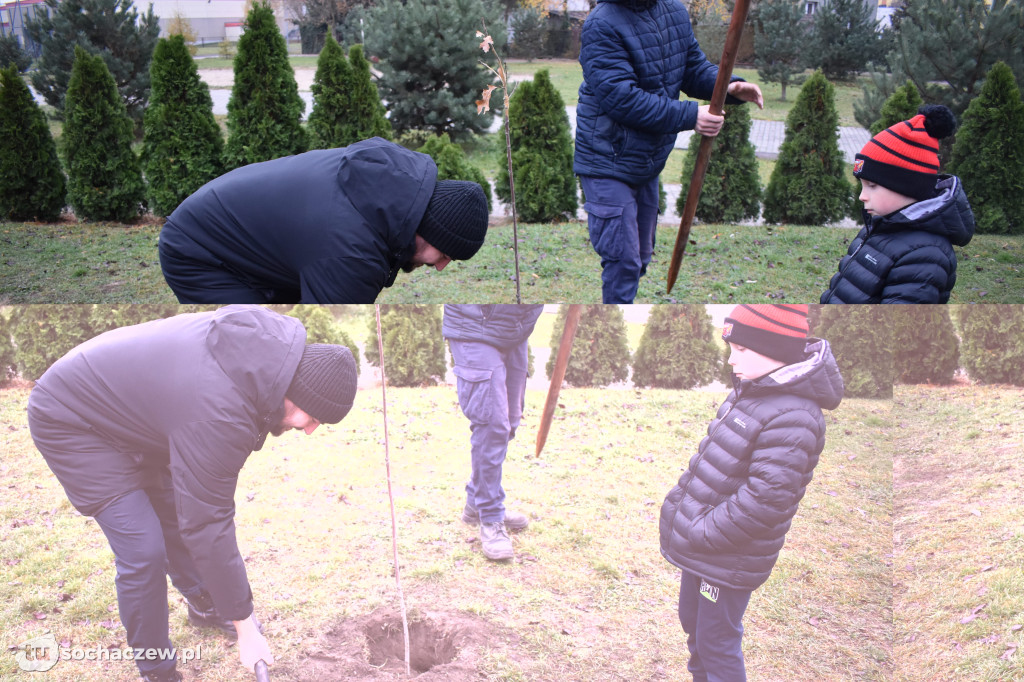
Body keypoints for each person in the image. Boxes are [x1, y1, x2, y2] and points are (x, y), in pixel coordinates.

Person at [27, 306, 359, 682]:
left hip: (136, 412)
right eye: (313, 418)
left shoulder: (263, 356)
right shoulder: (220, 411)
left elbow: (195, 513)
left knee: (171, 507)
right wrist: (247, 630)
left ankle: (204, 606)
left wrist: (237, 613)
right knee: (143, 549)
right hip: (71, 417)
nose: (311, 430)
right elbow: (208, 524)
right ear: (294, 394)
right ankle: (157, 670)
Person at [659, 304, 844, 681]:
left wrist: (701, 531)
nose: (731, 359)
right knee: (694, 627)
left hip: (727, 555)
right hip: (705, 549)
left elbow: (766, 500)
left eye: (742, 350)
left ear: (775, 351)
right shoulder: (751, 391)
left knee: (717, 643)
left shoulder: (794, 415)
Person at [574, 0, 764, 304]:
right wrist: (690, 117)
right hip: (606, 158)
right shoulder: (602, 24)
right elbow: (621, 98)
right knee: (624, 261)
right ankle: (609, 338)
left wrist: (728, 87)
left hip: (646, 161)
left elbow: (692, 69)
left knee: (641, 257)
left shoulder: (673, 10)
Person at [159, 137, 489, 304]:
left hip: (233, 224)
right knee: (259, 339)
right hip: (199, 250)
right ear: (428, 230)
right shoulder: (353, 254)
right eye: (445, 254)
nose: (442, 266)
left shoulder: (392, 185)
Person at [821, 105, 975, 303]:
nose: (862, 196)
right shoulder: (881, 225)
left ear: (907, 187)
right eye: (862, 186)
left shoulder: (925, 256)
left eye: (872, 186)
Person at [442, 304, 544, 561]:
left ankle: (477, 501)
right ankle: (490, 517)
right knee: (492, 424)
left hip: (515, 329)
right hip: (475, 326)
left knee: (509, 421)